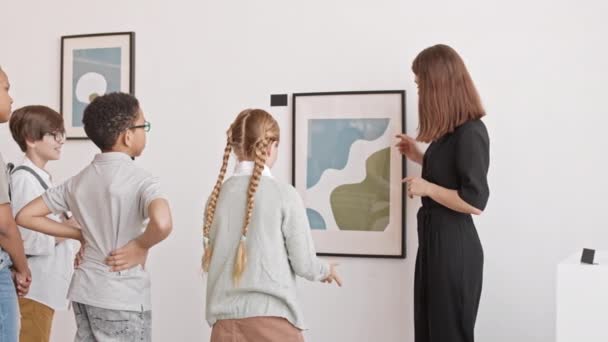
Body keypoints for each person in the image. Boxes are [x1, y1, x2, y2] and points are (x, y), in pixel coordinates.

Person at [16, 92, 173, 342]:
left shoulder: (78, 181)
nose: (145, 131)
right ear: (128, 135)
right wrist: (140, 245)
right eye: (144, 125)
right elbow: (163, 222)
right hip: (122, 296)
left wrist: (79, 234)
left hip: (84, 293)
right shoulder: (142, 180)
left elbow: (25, 215)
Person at [203, 109, 342, 342]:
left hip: (224, 327)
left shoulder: (216, 197)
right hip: (272, 326)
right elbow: (304, 263)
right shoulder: (284, 195)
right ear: (270, 147)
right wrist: (325, 270)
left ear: (235, 147)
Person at [396, 44, 490, 342]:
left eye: (421, 84)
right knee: (429, 331)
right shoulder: (450, 134)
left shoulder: (471, 132)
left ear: (438, 86)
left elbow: (475, 201)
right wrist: (420, 156)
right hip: (435, 244)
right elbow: (452, 174)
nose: (420, 92)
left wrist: (427, 188)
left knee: (448, 334)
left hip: (454, 248)